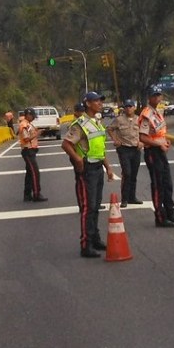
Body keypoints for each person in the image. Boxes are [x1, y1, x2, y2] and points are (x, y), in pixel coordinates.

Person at [62, 91, 114, 258]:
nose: (100, 103)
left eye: (100, 100)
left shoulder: (97, 122)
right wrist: (77, 159)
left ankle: (95, 238)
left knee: (96, 206)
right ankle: (86, 244)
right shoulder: (80, 124)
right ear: (88, 103)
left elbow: (100, 148)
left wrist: (108, 167)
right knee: (88, 207)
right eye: (96, 101)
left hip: (98, 167)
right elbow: (66, 144)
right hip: (88, 170)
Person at [139, 86, 174, 228]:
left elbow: (158, 133)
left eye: (159, 95)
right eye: (155, 95)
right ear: (149, 98)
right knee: (158, 185)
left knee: (167, 183)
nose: (158, 98)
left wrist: (165, 141)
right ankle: (160, 217)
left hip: (161, 151)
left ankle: (170, 213)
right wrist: (158, 145)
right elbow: (143, 137)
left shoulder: (157, 112)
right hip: (153, 152)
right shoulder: (146, 114)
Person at [106, 99, 143, 208]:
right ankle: (125, 199)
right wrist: (115, 140)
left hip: (135, 149)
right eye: (126, 107)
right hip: (124, 149)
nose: (128, 108)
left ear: (134, 107)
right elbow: (110, 129)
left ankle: (132, 197)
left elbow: (144, 132)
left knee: (134, 174)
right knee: (127, 173)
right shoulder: (119, 120)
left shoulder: (139, 119)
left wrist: (141, 142)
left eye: (130, 106)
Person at [19, 107, 47, 202]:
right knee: (35, 172)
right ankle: (36, 194)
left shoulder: (28, 124)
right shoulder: (24, 125)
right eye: (33, 116)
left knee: (30, 173)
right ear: (28, 115)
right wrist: (37, 134)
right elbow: (26, 138)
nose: (34, 118)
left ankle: (27, 195)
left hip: (31, 150)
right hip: (28, 151)